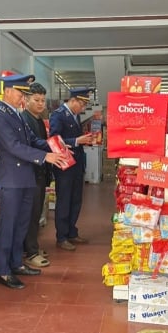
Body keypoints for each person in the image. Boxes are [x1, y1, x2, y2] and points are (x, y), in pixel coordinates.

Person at [0, 73, 69, 289]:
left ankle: (17, 263)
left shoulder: (16, 114)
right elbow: (13, 146)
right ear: (7, 91)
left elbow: (31, 140)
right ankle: (4, 272)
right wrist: (46, 156)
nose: (22, 98)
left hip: (25, 178)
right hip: (11, 180)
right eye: (20, 93)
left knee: (22, 224)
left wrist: (55, 146)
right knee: (9, 226)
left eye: (24, 94)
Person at [49, 87, 94, 251]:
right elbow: (54, 139)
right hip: (65, 166)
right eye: (81, 104)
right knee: (64, 200)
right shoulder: (58, 115)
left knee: (76, 199)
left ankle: (71, 232)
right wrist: (76, 141)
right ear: (73, 100)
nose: (82, 108)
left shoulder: (76, 115)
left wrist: (83, 141)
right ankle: (61, 236)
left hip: (77, 164)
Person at [21, 82, 51, 268]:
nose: (40, 104)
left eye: (43, 100)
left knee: (36, 212)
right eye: (36, 100)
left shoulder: (38, 119)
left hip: (40, 171)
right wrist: (53, 146)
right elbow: (34, 145)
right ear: (26, 100)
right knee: (31, 214)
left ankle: (32, 246)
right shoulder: (24, 119)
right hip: (29, 172)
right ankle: (30, 253)